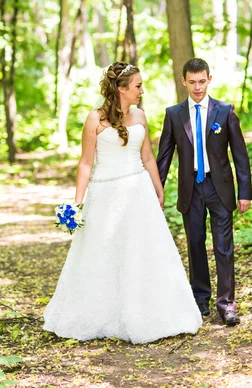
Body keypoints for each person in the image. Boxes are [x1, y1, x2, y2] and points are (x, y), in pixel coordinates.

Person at [43, 62, 202, 344]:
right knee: (101, 253)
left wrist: (158, 187)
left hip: (139, 192)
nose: (142, 90)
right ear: (121, 88)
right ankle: (100, 314)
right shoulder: (95, 119)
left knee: (143, 253)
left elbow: (149, 158)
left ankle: (148, 313)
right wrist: (77, 204)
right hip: (105, 195)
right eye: (138, 86)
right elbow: (85, 163)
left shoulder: (140, 115)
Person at [157, 58, 252, 326]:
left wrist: (244, 191)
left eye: (202, 81)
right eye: (192, 82)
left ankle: (227, 304)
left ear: (209, 79)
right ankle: (200, 300)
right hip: (191, 189)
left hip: (219, 187)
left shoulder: (225, 111)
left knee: (224, 247)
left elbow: (240, 155)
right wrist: (155, 191)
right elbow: (164, 157)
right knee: (195, 244)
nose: (197, 87)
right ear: (183, 81)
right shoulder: (174, 115)